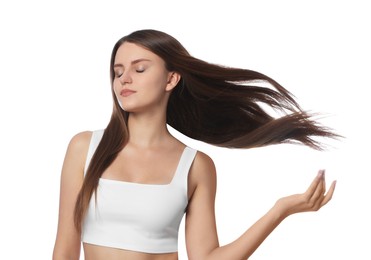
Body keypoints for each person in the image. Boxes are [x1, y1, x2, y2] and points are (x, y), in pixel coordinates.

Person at [52, 29, 337, 260]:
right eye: (117, 71)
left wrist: (280, 211)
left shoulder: (195, 166)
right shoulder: (85, 148)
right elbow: (64, 250)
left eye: (139, 69)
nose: (124, 78)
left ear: (171, 78)